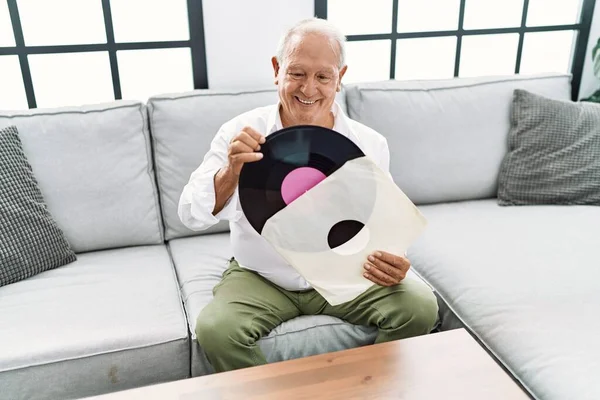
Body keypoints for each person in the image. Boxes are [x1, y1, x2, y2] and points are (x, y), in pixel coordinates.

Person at [178, 17, 439, 373]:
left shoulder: (370, 144)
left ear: (340, 77)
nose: (309, 88)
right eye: (297, 73)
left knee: (421, 306)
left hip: (345, 272)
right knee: (216, 330)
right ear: (277, 69)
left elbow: (380, 222)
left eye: (323, 76)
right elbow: (190, 214)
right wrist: (232, 171)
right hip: (261, 276)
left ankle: (362, 388)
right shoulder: (239, 132)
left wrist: (395, 259)